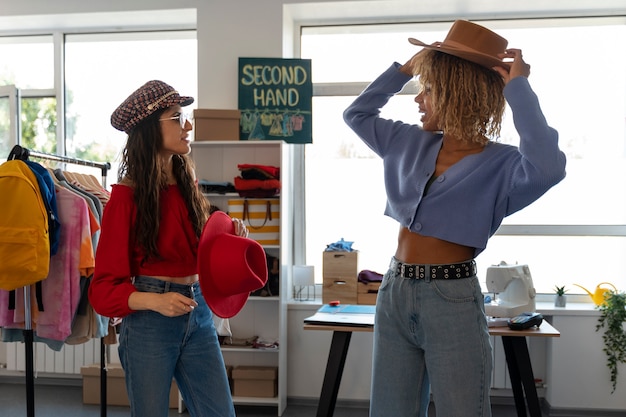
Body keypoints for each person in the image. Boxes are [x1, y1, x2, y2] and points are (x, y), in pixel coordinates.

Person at [343, 20, 566, 417]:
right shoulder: (405, 141)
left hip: (453, 299)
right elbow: (356, 113)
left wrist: (518, 88)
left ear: (455, 93)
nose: (418, 99)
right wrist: (403, 71)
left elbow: (549, 167)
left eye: (428, 89)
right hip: (394, 291)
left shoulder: (504, 164)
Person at [89, 80, 248, 417]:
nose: (187, 125)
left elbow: (195, 252)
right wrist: (155, 301)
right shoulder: (125, 196)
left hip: (198, 310)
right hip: (149, 321)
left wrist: (228, 235)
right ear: (150, 130)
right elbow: (102, 290)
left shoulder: (186, 183)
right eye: (177, 117)